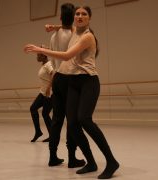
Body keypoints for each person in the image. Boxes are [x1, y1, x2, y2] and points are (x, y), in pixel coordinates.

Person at [24, 6, 119, 179]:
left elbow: (67, 55)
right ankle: (90, 162)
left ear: (89, 18)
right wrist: (55, 27)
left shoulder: (88, 37)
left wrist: (41, 50)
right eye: (77, 14)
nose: (80, 16)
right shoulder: (75, 30)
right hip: (74, 83)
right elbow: (67, 27)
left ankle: (111, 161)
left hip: (88, 81)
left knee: (84, 119)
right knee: (73, 125)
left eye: (84, 14)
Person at [45, 3, 85, 168]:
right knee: (72, 120)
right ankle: (72, 157)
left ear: (61, 18)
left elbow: (52, 59)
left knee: (57, 119)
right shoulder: (76, 35)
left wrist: (55, 26)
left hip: (57, 78)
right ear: (74, 18)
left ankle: (53, 156)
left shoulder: (54, 36)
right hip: (71, 78)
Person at [30, 52, 53, 142]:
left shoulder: (48, 64)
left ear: (44, 56)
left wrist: (48, 88)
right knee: (33, 108)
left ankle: (52, 135)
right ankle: (38, 131)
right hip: (43, 93)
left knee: (44, 114)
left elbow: (54, 75)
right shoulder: (44, 65)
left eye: (38, 55)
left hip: (49, 94)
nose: (37, 57)